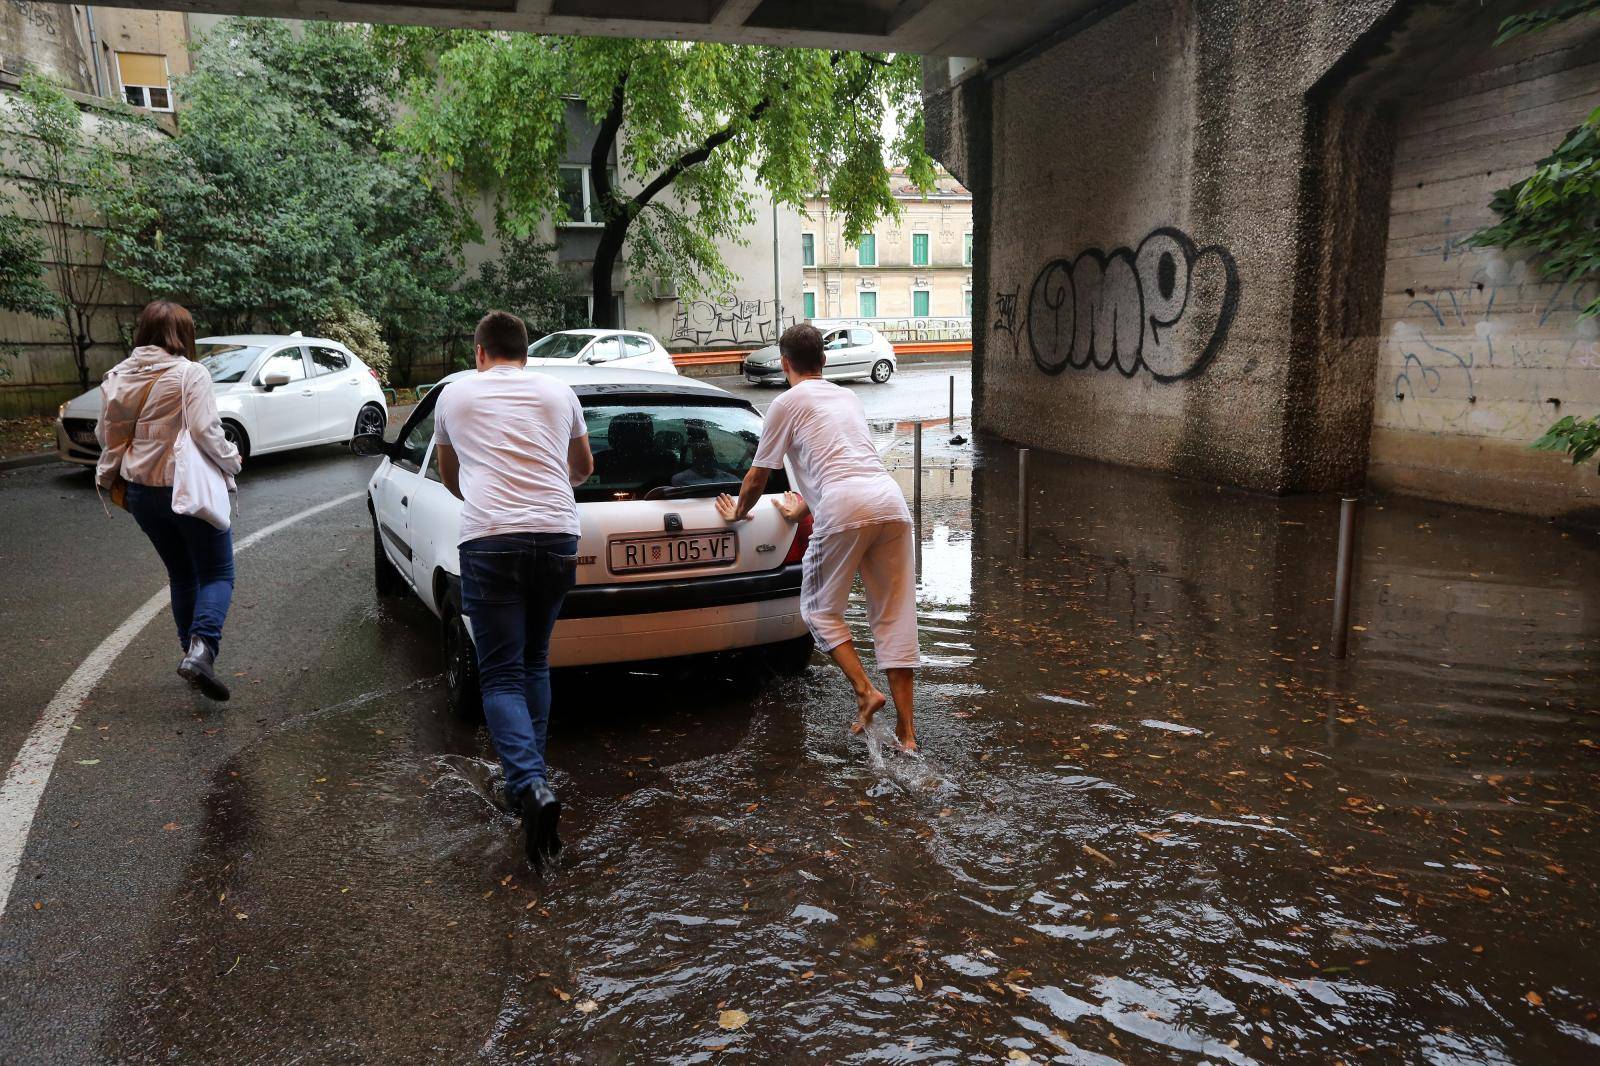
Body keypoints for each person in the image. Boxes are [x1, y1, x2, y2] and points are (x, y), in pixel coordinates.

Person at [434, 310, 594, 868]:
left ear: (480, 352)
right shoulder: (559, 392)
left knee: (499, 672)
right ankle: (532, 781)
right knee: (534, 663)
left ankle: (528, 785)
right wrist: (546, 484)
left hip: (491, 540)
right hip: (558, 535)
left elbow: (448, 473)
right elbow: (583, 466)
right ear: (526, 351)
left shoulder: (453, 396)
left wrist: (484, 490)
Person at [716, 323, 920, 751]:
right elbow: (842, 461)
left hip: (845, 507)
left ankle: (866, 692)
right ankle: (908, 736)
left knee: (818, 610)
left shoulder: (785, 403)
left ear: (785, 363)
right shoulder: (847, 397)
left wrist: (738, 511)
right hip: (889, 502)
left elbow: (759, 475)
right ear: (824, 362)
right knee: (896, 617)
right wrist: (803, 504)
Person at [96, 300, 243, 701]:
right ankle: (202, 652)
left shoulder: (116, 376)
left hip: (141, 491)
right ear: (183, 334)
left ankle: (190, 655)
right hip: (186, 489)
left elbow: (104, 436)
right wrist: (233, 459)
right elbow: (207, 432)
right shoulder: (189, 374)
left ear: (143, 331)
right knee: (217, 573)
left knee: (181, 574)